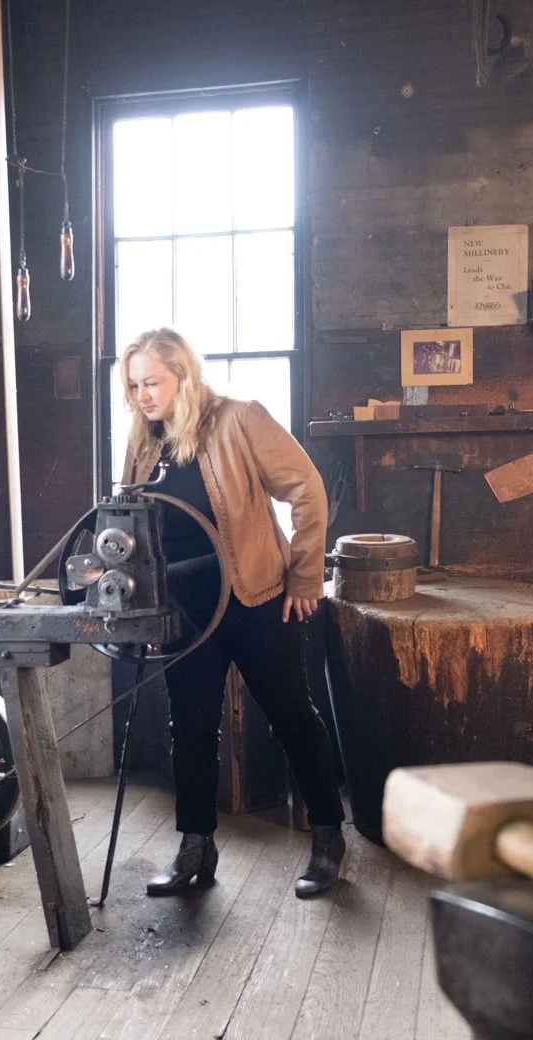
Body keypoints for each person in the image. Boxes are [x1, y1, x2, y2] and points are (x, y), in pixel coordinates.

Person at [118, 327, 346, 899]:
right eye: (134, 385)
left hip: (255, 596)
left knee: (291, 715)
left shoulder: (240, 419)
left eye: (153, 382)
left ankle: (326, 839)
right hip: (183, 611)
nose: (143, 395)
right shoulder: (145, 442)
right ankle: (196, 848)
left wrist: (305, 574)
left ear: (183, 375)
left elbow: (308, 489)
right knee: (191, 726)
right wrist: (135, 604)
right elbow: (127, 527)